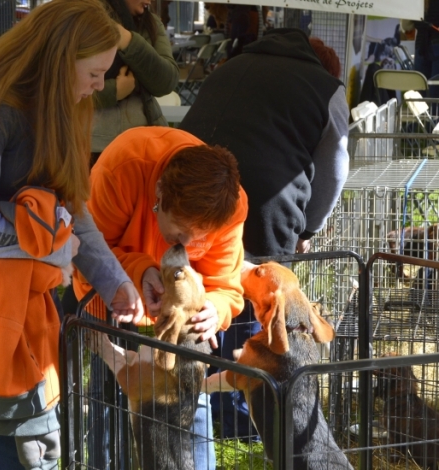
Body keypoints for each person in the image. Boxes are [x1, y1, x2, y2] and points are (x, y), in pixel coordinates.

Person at [0, 1, 144, 469]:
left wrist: (115, 282)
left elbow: (71, 209)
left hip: (13, 312)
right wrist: (52, 253)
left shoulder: (58, 110)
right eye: (94, 72)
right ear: (60, 59)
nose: (100, 85)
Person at [180, 27, 349, 439]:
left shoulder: (230, 65)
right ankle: (242, 415)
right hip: (266, 208)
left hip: (195, 193)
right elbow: (334, 167)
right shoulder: (327, 88)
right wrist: (309, 226)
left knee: (208, 285)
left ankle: (197, 391)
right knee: (256, 300)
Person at [73, 125, 249, 470]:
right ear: (158, 195)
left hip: (181, 319)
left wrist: (215, 308)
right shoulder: (123, 166)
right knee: (106, 401)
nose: (187, 244)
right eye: (180, 231)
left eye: (201, 236)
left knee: (190, 400)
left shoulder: (230, 206)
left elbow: (225, 284)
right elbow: (86, 253)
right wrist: (139, 271)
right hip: (110, 299)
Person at [90, 0, 179, 162]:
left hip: (146, 142)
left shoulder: (150, 23)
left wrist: (128, 40)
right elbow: (62, 87)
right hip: (91, 145)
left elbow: (167, 81)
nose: (149, 1)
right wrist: (115, 90)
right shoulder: (82, 18)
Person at [401, 0, 439, 98]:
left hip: (421, 45)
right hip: (433, 44)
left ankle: (423, 113)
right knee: (435, 90)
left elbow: (406, 25)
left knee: (420, 88)